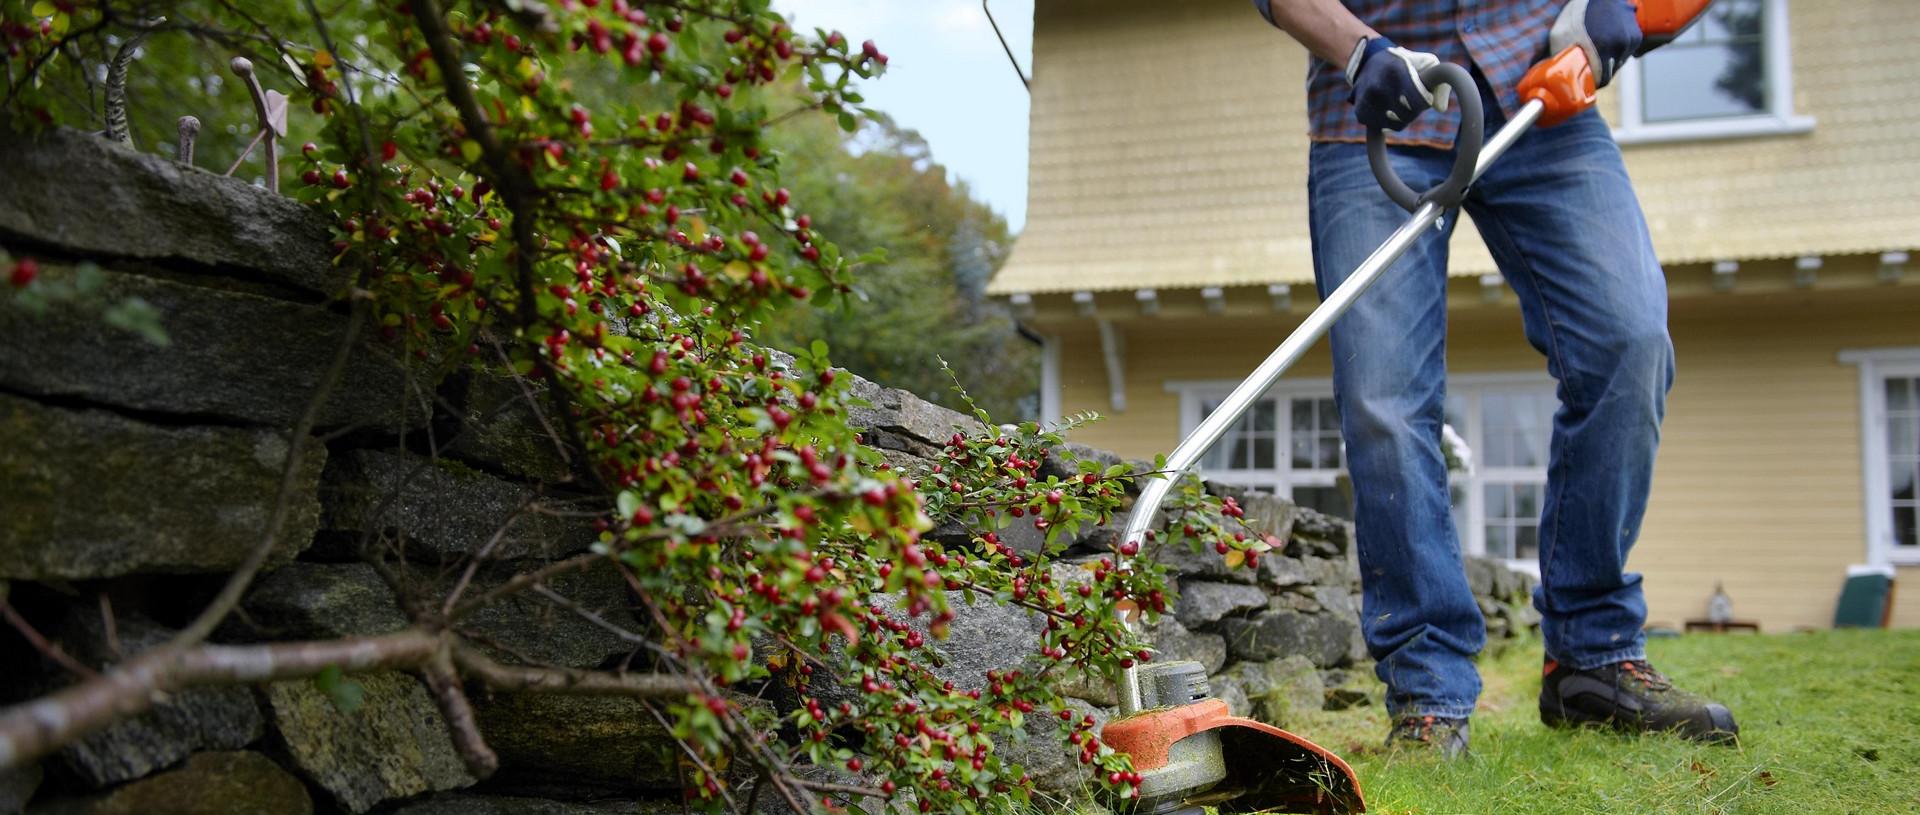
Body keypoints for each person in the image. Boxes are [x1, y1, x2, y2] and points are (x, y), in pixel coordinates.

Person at [1249, 0, 1739, 757]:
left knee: (1627, 341)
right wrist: (1354, 51)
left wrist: (1626, 7)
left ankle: (1594, 657)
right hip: (1382, 102)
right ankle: (1428, 695)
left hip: (1542, 96)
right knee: (1384, 402)